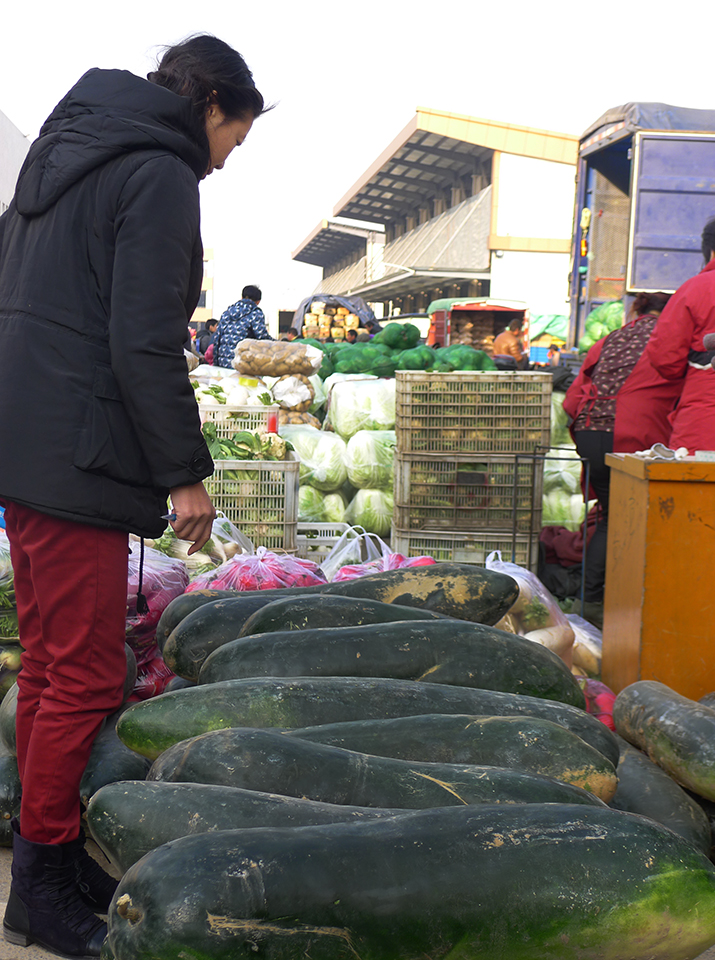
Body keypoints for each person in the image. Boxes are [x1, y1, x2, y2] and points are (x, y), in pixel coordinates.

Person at [0, 34, 266, 958]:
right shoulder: (158, 171)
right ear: (211, 106)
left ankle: (48, 861)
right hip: (80, 456)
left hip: (27, 447)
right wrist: (182, 469)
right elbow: (143, 338)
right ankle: (41, 888)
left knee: (50, 669)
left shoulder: (61, 157)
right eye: (233, 137)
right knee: (81, 677)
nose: (224, 160)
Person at [562, 291, 680, 626]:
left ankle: (593, 600)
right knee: (636, 520)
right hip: (634, 434)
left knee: (610, 517)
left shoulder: (610, 339)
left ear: (637, 311)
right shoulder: (670, 339)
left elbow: (572, 399)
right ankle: (612, 602)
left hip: (590, 431)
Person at [645, 215, 715, 453]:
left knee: (700, 474)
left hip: (707, 416)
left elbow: (665, 356)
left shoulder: (697, 288)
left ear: (711, 251)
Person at [215, 283, 273, 367]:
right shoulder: (255, 313)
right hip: (241, 362)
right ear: (258, 301)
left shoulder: (227, 313)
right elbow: (262, 337)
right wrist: (278, 344)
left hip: (223, 362)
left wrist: (216, 363)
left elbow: (217, 338)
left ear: (242, 297)